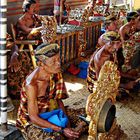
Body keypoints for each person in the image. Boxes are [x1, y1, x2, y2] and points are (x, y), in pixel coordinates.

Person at [16, 43, 88, 140]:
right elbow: (34, 117)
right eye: (53, 61)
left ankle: (71, 133)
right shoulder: (31, 85)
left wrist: (67, 125)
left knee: (87, 114)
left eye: (58, 59)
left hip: (51, 112)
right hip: (32, 121)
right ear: (41, 64)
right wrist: (61, 129)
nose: (58, 63)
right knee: (53, 138)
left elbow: (58, 100)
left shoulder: (55, 73)